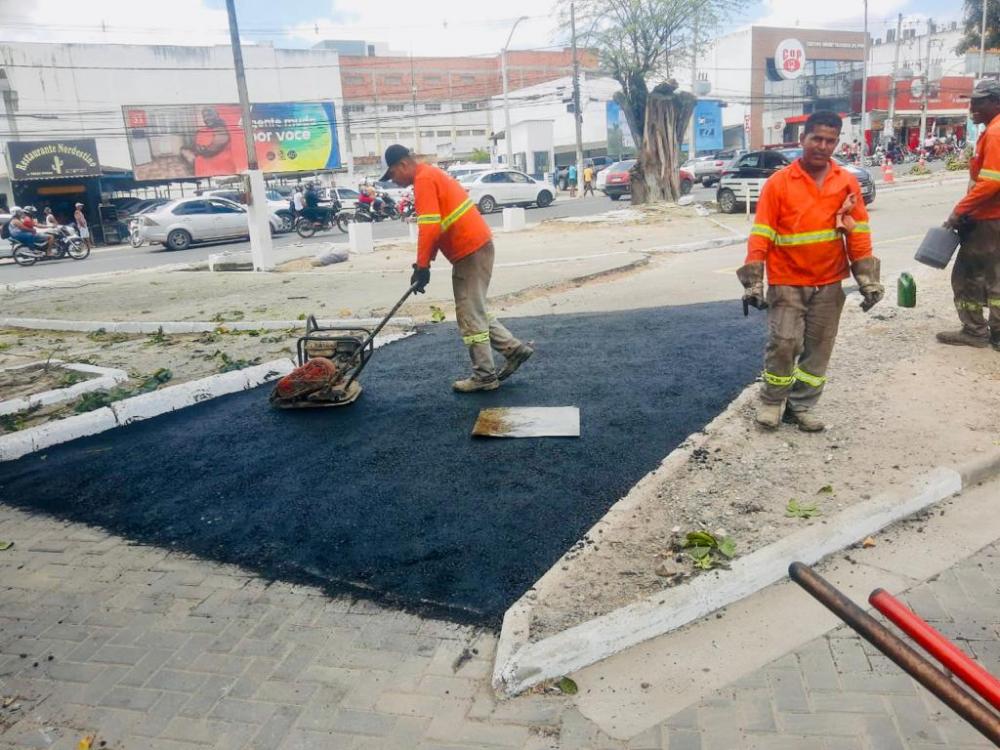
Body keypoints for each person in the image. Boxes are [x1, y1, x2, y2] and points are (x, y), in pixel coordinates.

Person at [736, 110, 883, 432]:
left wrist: (868, 279)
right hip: (788, 280)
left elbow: (858, 233)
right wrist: (753, 281)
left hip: (830, 283)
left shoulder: (845, 182)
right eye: (816, 138)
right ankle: (773, 401)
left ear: (836, 142)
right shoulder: (779, 183)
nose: (823, 146)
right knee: (784, 343)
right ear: (802, 139)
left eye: (830, 140)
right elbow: (761, 233)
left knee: (819, 349)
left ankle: (801, 405)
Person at [381, 144, 533, 392]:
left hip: (469, 251)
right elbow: (435, 226)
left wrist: (422, 266)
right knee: (475, 309)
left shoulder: (424, 180)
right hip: (476, 246)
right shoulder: (429, 175)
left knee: (469, 313)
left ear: (403, 165)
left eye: (392, 175)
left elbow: (429, 226)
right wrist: (423, 264)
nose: (393, 182)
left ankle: (485, 376)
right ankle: (514, 349)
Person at [938, 80, 1000, 351]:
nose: (971, 106)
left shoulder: (996, 133)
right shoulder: (992, 131)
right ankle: (997, 334)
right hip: (992, 217)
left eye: (978, 101)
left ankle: (974, 330)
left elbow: (990, 183)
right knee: (996, 275)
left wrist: (959, 211)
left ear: (996, 103)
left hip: (988, 219)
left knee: (967, 277)